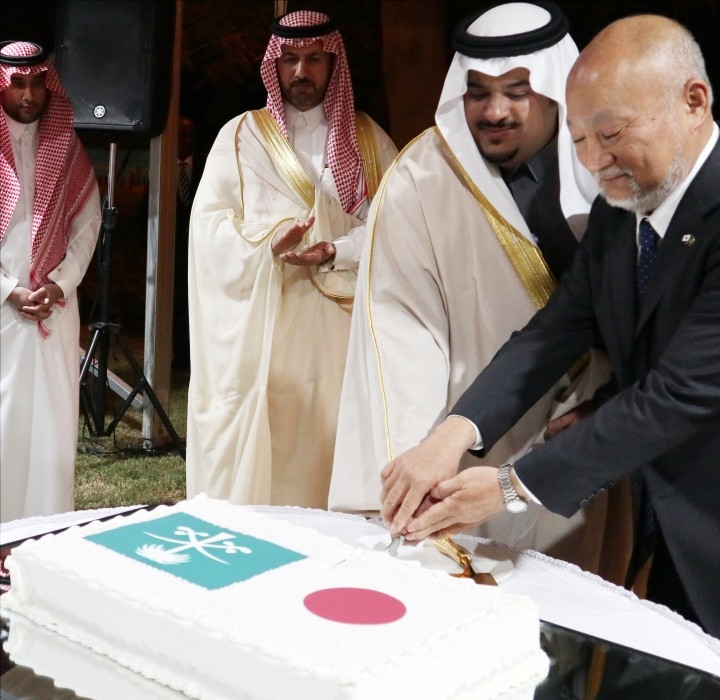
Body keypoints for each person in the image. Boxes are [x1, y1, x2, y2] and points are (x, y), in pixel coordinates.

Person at [381, 14, 720, 700]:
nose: (595, 160)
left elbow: (677, 393)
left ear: (694, 102)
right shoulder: (622, 205)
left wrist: (510, 487)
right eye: (577, 139)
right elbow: (555, 331)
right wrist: (450, 436)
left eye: (612, 133)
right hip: (675, 551)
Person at [329, 1, 630, 581]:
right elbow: (402, 335)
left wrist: (612, 399)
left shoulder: (612, 171)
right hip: (471, 445)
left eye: (518, 91)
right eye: (478, 92)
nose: (495, 111)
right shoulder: (422, 182)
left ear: (555, 90)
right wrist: (420, 464)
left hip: (602, 434)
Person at [186, 11, 397, 508]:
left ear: (333, 64)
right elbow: (209, 228)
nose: (301, 71)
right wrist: (267, 245)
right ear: (274, 67)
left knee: (333, 444)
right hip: (267, 324)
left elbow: (396, 230)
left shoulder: (369, 140)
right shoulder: (241, 136)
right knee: (276, 448)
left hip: (342, 331)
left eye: (314, 60)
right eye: (291, 60)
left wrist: (335, 250)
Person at [0, 41, 101, 523]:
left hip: (54, 309)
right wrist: (8, 291)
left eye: (37, 82)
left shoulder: (68, 148)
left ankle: (43, 534)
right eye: (17, 83)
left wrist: (59, 284)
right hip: (2, 310)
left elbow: (87, 224)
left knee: (52, 430)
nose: (28, 94)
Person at [172, 116, 201, 371]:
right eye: (181, 135)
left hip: (200, 253)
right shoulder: (162, 171)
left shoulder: (205, 170)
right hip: (170, 255)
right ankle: (176, 358)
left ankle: (191, 359)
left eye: (190, 135)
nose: (186, 140)